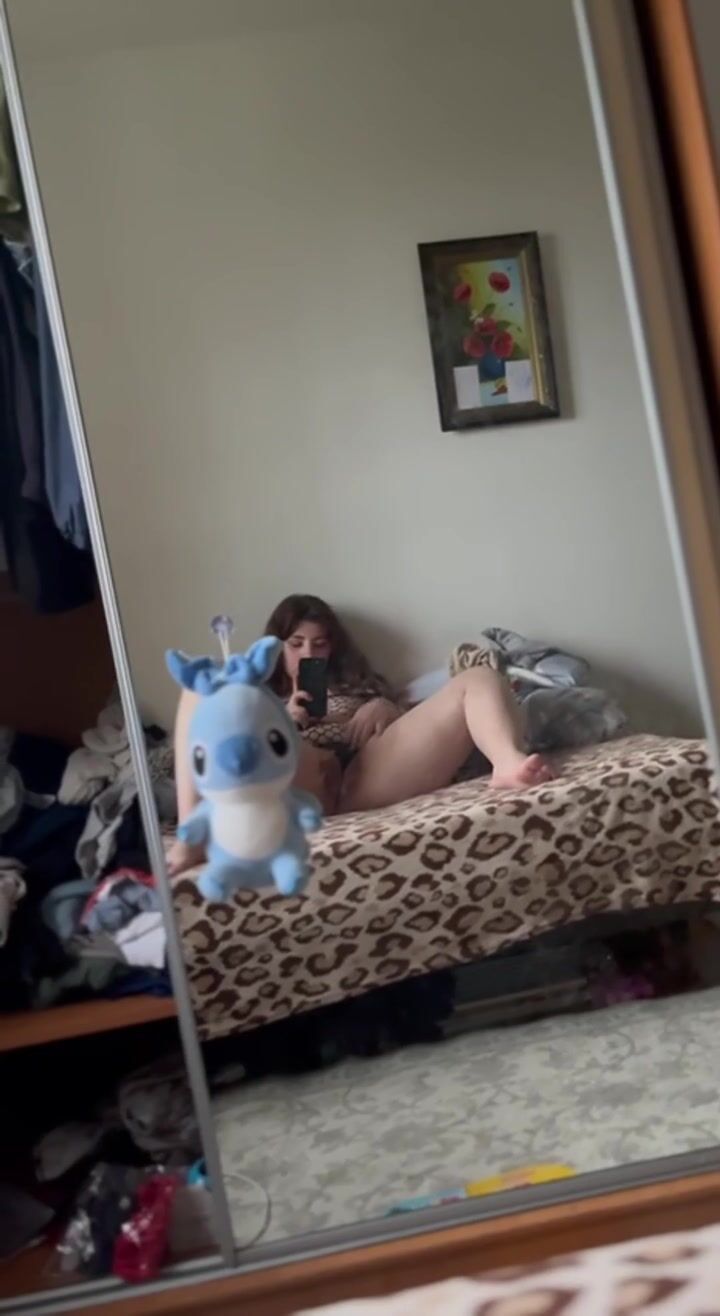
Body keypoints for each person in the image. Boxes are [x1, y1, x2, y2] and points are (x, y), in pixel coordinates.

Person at [167, 594, 553, 874]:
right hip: (296, 782)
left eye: (319, 644)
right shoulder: (260, 696)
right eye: (296, 644)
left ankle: (507, 763)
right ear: (277, 647)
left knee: (479, 677)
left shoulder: (360, 684)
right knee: (202, 686)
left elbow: (417, 730)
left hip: (365, 773)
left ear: (333, 648)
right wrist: (283, 720)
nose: (308, 654)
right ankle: (191, 837)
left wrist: (386, 707)